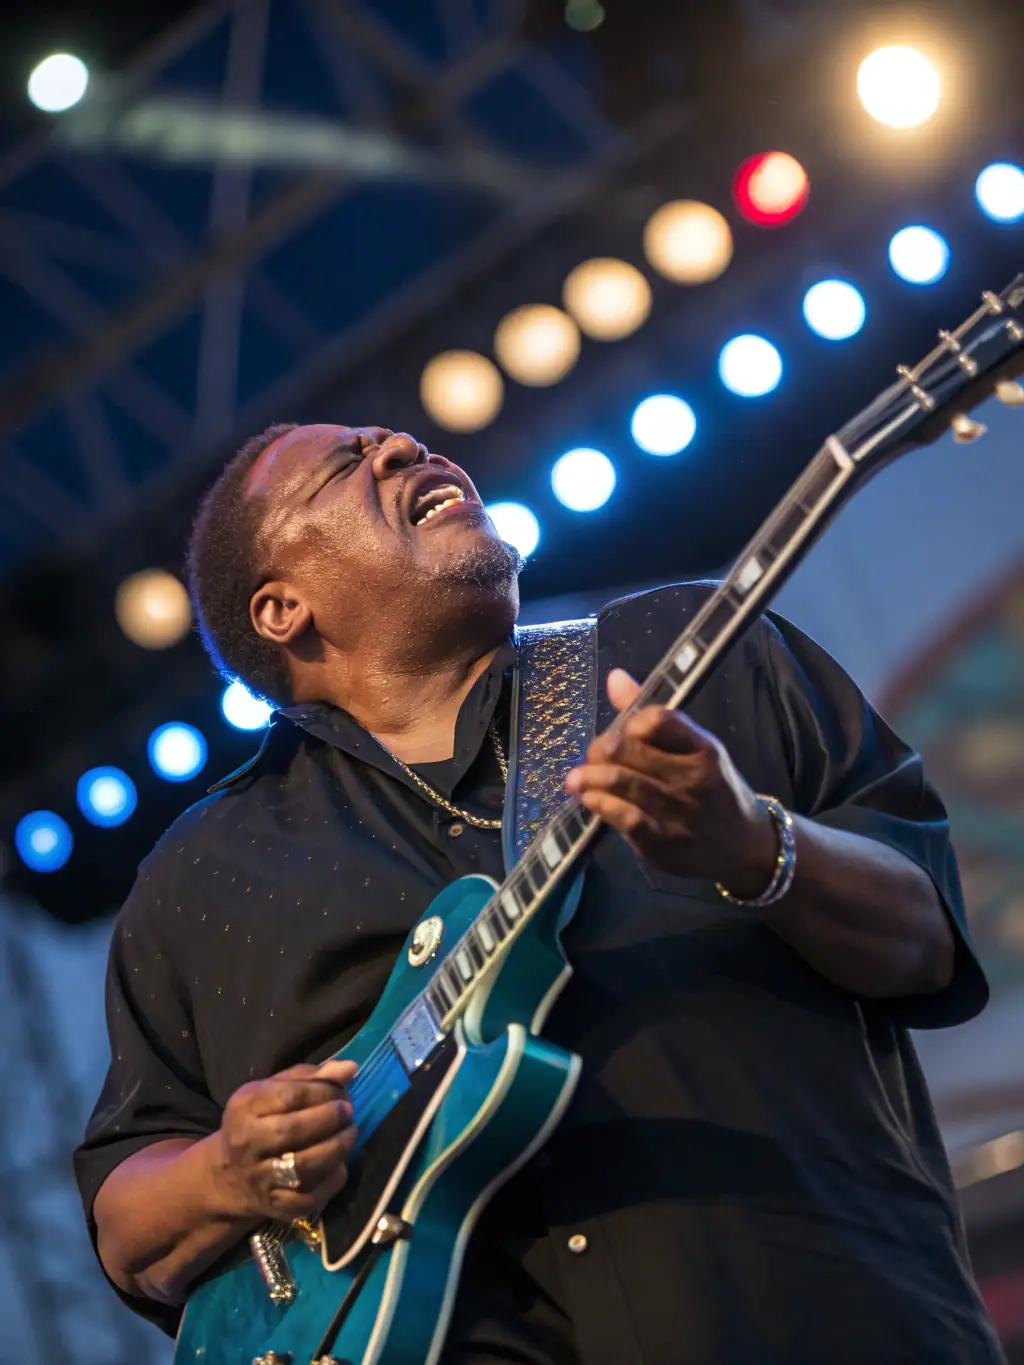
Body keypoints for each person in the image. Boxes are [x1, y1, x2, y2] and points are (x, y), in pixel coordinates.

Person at [75, 423, 1005, 1365]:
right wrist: (228, 1173)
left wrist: (753, 844)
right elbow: (127, 1224)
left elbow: (926, 937)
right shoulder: (202, 877)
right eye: (348, 462)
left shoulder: (689, 652)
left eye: (396, 439)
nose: (402, 448)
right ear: (283, 608)